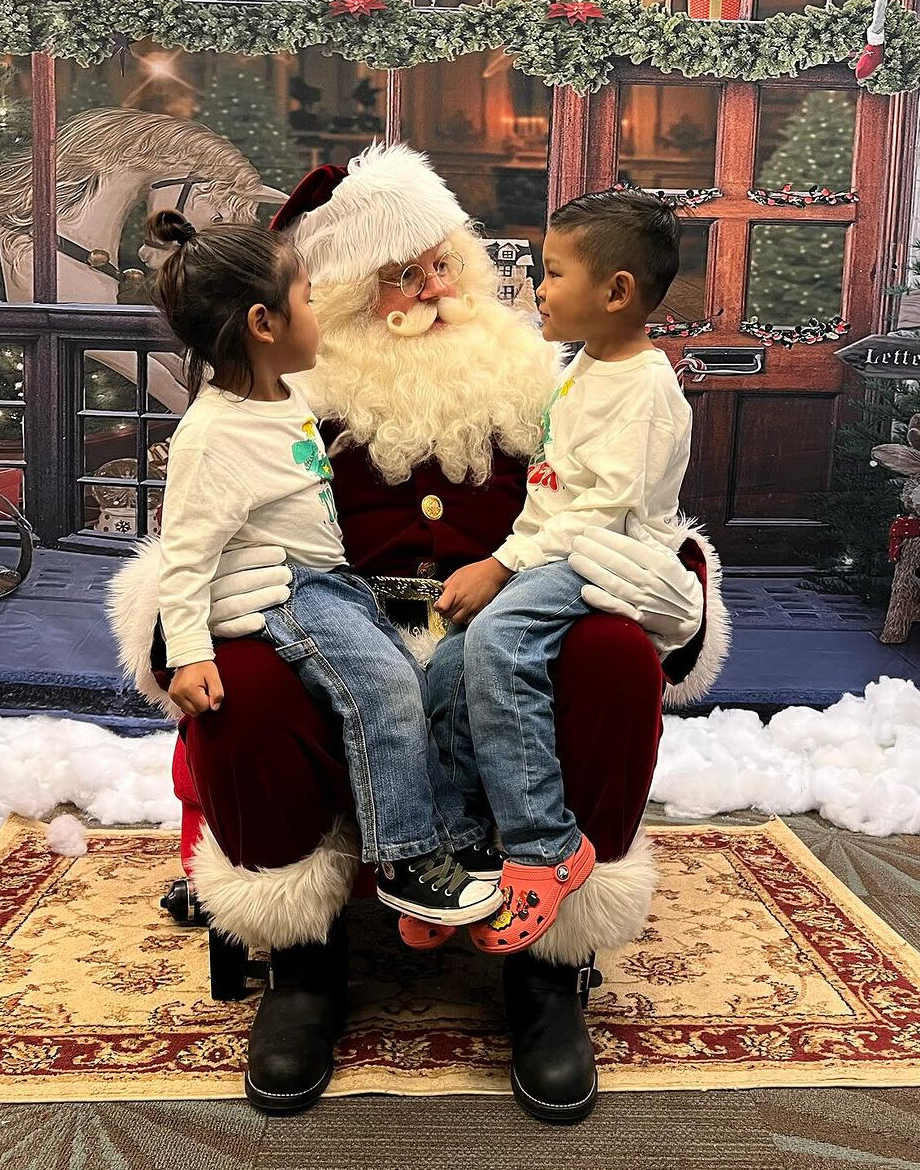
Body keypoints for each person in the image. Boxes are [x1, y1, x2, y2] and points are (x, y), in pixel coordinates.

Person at [108, 143, 730, 1123]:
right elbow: (194, 538)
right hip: (338, 625)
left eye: (442, 263)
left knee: (613, 654)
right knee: (249, 680)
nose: (433, 290)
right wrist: (178, 627)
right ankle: (303, 966)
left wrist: (679, 597)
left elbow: (621, 506)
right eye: (400, 277)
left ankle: (549, 965)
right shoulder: (287, 400)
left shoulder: (545, 380)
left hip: (504, 625)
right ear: (337, 298)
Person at [147, 209, 503, 954]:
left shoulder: (288, 397)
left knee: (419, 678)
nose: (319, 315)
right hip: (292, 592)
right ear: (263, 324)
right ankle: (406, 860)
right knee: (385, 687)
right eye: (308, 301)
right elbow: (182, 555)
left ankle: (454, 837)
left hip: (337, 586)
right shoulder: (213, 436)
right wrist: (187, 651)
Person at [424, 187, 700, 959]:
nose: (538, 289)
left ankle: (545, 847)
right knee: (446, 666)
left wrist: (500, 566)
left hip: (606, 556)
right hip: (556, 551)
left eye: (552, 273)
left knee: (500, 641)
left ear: (616, 292)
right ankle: (461, 845)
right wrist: (512, 557)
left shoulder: (644, 389)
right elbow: (551, 494)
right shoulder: (584, 366)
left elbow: (602, 514)